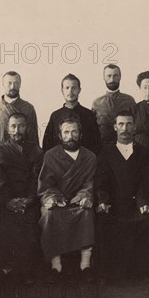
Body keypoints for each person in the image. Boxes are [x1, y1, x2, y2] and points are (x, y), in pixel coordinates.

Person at [95, 110, 149, 282]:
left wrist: (144, 201)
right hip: (113, 204)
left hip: (135, 203)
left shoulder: (144, 153)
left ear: (135, 127)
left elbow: (146, 181)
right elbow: (101, 182)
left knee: (147, 221)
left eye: (129, 124)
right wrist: (103, 201)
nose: (125, 128)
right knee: (103, 221)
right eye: (121, 124)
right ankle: (110, 274)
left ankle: (142, 273)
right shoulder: (106, 153)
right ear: (115, 127)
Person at [0, 113, 43, 283]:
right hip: (5, 202)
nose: (17, 130)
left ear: (27, 128)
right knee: (4, 227)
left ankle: (26, 274)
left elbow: (37, 179)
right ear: (7, 129)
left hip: (29, 202)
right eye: (13, 126)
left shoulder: (36, 151)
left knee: (30, 226)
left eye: (21, 126)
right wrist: (9, 202)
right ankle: (2, 273)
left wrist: (28, 200)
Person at [38, 118, 97, 282]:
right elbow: (46, 183)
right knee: (49, 215)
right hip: (57, 201)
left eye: (74, 132)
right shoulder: (50, 156)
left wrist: (84, 197)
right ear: (59, 135)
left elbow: (89, 183)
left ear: (80, 134)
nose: (70, 136)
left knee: (86, 213)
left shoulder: (89, 157)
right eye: (66, 132)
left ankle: (85, 265)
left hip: (78, 202)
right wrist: (52, 198)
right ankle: (56, 266)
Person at [43, 74, 101, 154]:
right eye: (67, 88)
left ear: (79, 90)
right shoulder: (55, 116)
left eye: (74, 88)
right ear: (62, 90)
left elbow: (96, 144)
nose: (70, 91)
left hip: (84, 162)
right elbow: (47, 145)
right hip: (59, 163)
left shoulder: (88, 115)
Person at [0, 71, 39, 147]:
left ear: (20, 84)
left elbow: (33, 139)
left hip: (22, 156)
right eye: (9, 83)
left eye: (16, 83)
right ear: (3, 84)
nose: (12, 87)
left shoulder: (28, 108)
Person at [92, 64, 136, 146]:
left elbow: (136, 126)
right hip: (103, 148)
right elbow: (93, 130)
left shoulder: (129, 101)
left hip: (126, 146)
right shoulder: (97, 103)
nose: (112, 79)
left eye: (115, 76)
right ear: (104, 78)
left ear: (120, 77)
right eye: (109, 76)